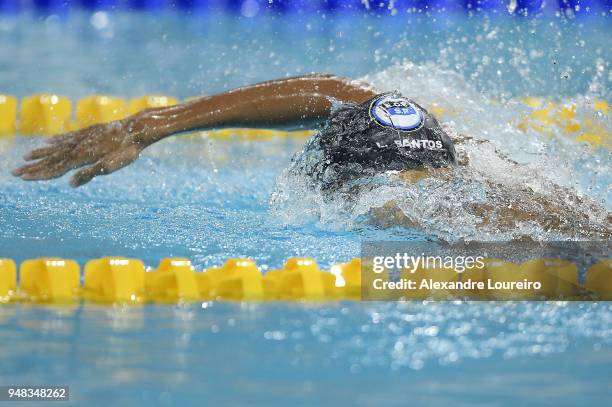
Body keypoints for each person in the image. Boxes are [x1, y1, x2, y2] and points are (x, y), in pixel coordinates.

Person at [11, 74, 611, 239]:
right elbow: (348, 98)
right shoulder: (466, 157)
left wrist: (156, 127)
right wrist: (154, 126)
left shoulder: (410, 210)